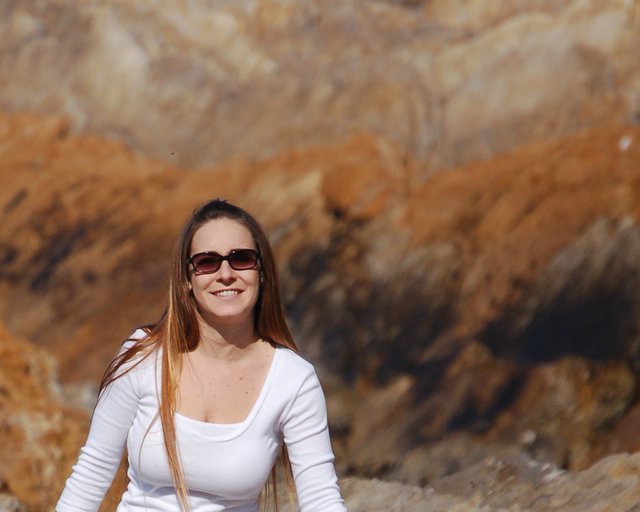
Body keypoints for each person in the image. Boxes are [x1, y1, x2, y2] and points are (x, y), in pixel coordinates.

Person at [56, 199, 347, 511]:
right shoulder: (143, 355)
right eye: (207, 262)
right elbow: (92, 472)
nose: (225, 274)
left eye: (241, 259)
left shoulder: (294, 380)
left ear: (261, 273)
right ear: (187, 280)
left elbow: (320, 499)